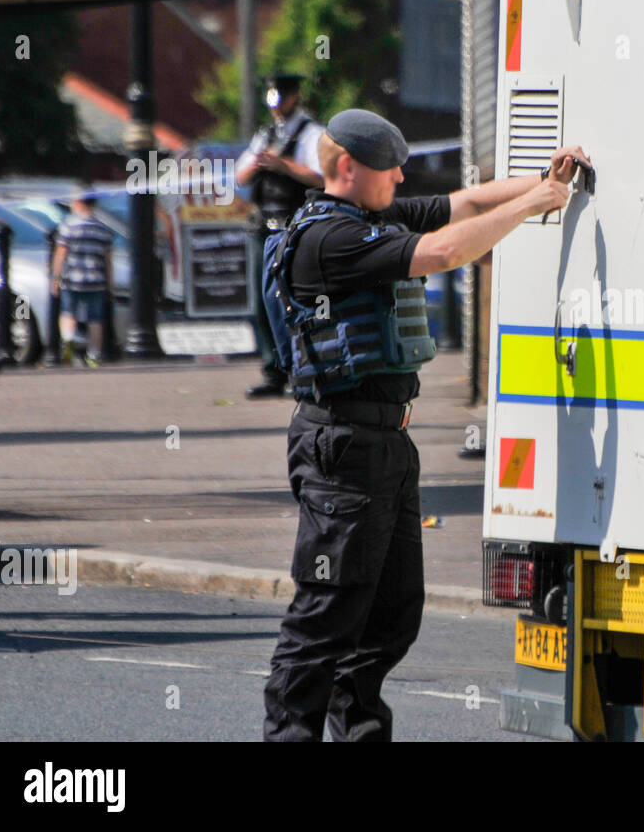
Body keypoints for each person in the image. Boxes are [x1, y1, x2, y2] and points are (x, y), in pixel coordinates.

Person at [262, 108, 586, 741]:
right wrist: (537, 205)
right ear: (348, 169)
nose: (403, 175)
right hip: (343, 447)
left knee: (390, 615)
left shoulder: (368, 218)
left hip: (383, 444)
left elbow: (461, 205)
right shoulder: (329, 241)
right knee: (325, 616)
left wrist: (540, 181)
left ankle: (360, 733)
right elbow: (444, 250)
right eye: (391, 168)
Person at [236, 73, 325, 398]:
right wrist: (261, 162)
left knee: (297, 300)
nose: (276, 107)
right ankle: (273, 372)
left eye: (281, 98)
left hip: (296, 225)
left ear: (294, 97)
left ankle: (302, 372)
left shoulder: (312, 133)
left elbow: (322, 178)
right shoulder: (265, 135)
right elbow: (242, 176)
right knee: (264, 302)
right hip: (263, 226)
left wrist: (284, 165)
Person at [51, 195, 114, 368]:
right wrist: (110, 284)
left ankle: (67, 352)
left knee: (68, 314)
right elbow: (108, 260)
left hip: (72, 278)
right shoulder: (102, 228)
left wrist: (55, 277)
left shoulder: (68, 227)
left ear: (79, 202)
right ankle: (93, 356)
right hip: (96, 280)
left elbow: (61, 253)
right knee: (95, 319)